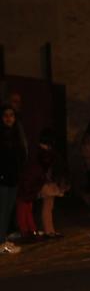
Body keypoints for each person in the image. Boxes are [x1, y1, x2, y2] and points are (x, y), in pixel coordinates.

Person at [16, 128, 69, 240]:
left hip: (45, 182)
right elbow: (42, 169)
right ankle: (46, 230)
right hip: (44, 182)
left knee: (47, 207)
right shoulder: (44, 154)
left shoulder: (43, 153)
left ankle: (47, 230)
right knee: (46, 207)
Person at [0, 105, 27, 253]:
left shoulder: (17, 135)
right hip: (2, 179)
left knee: (8, 211)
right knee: (2, 211)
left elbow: (20, 156)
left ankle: (3, 239)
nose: (9, 118)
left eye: (11, 115)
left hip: (13, 178)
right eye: (5, 115)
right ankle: (0, 242)